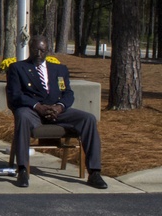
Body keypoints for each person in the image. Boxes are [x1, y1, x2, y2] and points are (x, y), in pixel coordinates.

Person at [6, 34, 107, 189]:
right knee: (22, 116)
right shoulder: (18, 68)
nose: (38, 54)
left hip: (57, 111)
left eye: (42, 50)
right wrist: (37, 106)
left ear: (48, 50)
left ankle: (94, 172)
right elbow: (15, 95)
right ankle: (23, 170)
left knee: (89, 119)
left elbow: (68, 93)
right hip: (32, 111)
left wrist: (59, 107)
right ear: (30, 49)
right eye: (35, 50)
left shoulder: (59, 70)